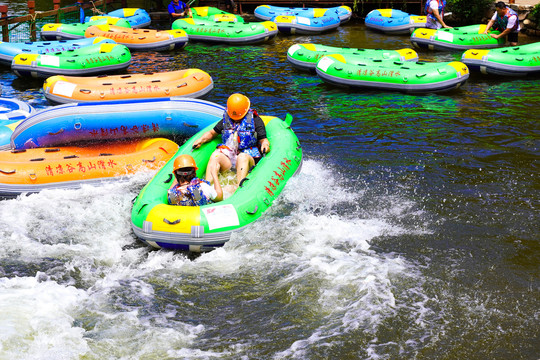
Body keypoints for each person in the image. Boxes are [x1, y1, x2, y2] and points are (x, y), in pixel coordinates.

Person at [192, 93, 270, 187]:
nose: (236, 120)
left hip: (247, 157)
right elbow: (212, 133)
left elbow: (263, 140)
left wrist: (265, 145)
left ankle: (239, 188)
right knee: (215, 156)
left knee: (242, 157)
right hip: (230, 157)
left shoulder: (256, 120)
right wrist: (201, 140)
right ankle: (207, 186)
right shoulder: (226, 120)